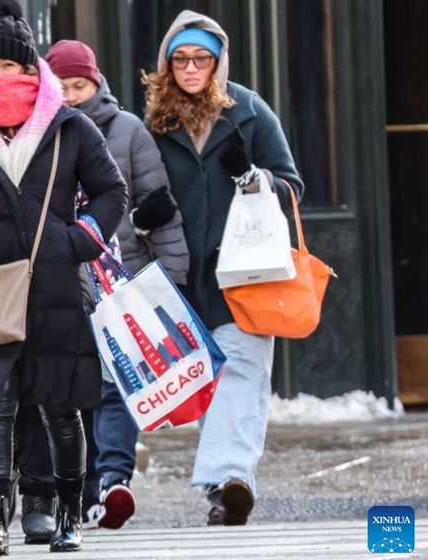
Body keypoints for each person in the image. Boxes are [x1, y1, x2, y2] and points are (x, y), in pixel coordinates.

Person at [0, 0, 127, 554]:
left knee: (61, 408)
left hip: (57, 290)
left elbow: (113, 193)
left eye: (7, 67)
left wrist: (78, 239)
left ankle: (68, 515)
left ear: (30, 70)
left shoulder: (71, 128)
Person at [141, 10, 304, 525]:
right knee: (215, 378)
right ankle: (227, 485)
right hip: (180, 273)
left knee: (241, 368)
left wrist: (252, 178)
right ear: (168, 65)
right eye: (181, 59)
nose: (191, 68)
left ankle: (230, 479)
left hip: (246, 270)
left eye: (201, 59)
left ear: (218, 63)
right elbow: (128, 188)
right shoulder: (154, 123)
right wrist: (142, 220)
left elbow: (291, 188)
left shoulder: (250, 112)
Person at [46, 38, 190, 530]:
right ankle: (83, 490)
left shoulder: (128, 131)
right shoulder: (40, 134)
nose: (70, 95)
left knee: (115, 382)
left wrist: (172, 277)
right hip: (62, 280)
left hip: (121, 280)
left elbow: (159, 202)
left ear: (97, 82)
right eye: (60, 86)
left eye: (79, 85)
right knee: (72, 387)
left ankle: (111, 480)